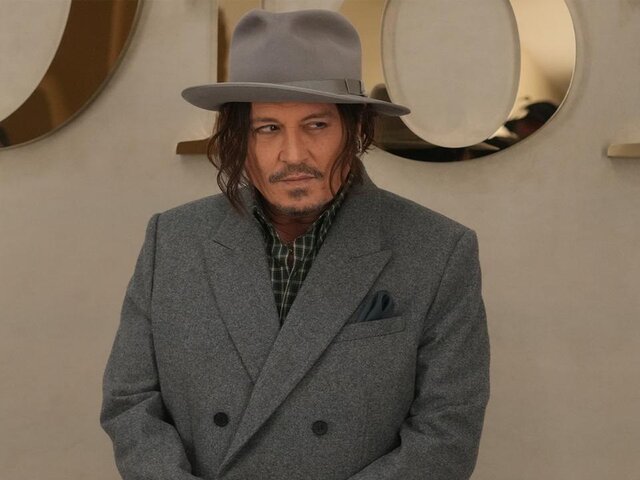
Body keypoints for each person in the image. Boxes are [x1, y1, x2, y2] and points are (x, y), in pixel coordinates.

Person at [101, 8, 490, 480]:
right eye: (268, 128)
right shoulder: (173, 239)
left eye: (316, 125)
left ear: (355, 129)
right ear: (239, 138)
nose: (293, 154)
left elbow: (446, 435)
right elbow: (131, 402)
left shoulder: (439, 250)